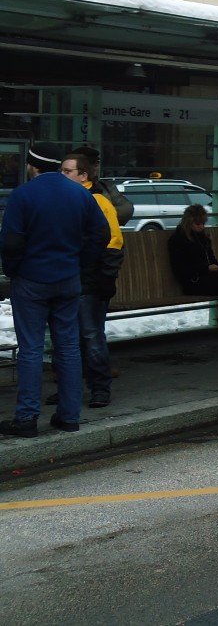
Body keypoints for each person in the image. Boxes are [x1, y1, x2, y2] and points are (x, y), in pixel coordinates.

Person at [0, 141, 109, 437]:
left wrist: (14, 271)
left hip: (31, 280)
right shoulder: (79, 194)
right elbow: (101, 234)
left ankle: (26, 418)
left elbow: (10, 242)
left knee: (32, 349)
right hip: (68, 279)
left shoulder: (23, 194)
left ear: (33, 166)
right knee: (69, 347)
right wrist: (80, 264)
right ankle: (68, 416)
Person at [59, 147, 124, 408]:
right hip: (71, 279)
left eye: (66, 171)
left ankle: (99, 388)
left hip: (89, 282)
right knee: (71, 336)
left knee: (90, 336)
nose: (61, 175)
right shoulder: (69, 199)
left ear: (83, 175)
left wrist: (104, 280)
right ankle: (72, 387)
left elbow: (114, 242)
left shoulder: (97, 201)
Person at [168, 204, 218, 350]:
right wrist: (206, 268)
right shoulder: (178, 240)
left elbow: (212, 260)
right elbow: (180, 269)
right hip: (194, 282)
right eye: (198, 223)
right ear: (189, 222)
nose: (201, 226)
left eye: (203, 223)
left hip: (209, 279)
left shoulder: (203, 238)